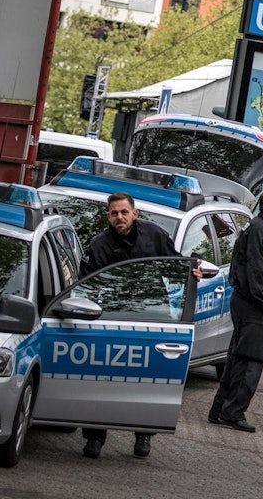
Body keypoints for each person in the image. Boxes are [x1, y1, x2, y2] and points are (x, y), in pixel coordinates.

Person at [79, 191, 201, 460]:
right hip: (112, 319)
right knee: (103, 380)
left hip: (151, 316)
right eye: (114, 213)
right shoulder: (99, 245)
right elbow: (86, 286)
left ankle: (144, 434)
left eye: (124, 212)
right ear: (108, 216)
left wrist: (192, 272)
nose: (119, 217)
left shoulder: (154, 235)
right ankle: (95, 437)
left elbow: (175, 266)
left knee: (149, 380)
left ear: (135, 213)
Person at [208, 188, 263, 434]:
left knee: (238, 359)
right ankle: (233, 412)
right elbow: (260, 272)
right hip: (254, 306)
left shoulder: (260, 230)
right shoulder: (260, 232)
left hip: (248, 303)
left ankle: (221, 409)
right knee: (249, 362)